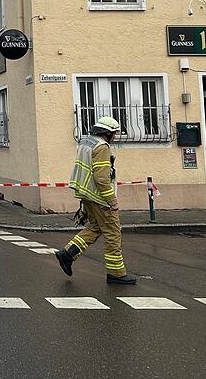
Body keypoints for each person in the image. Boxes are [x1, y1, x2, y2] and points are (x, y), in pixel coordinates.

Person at [54, 116, 136, 285]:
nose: (115, 137)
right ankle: (116, 273)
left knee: (95, 228)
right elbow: (101, 179)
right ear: (108, 133)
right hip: (100, 198)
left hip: (87, 194)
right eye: (114, 133)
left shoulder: (86, 142)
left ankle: (67, 254)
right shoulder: (102, 147)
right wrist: (112, 201)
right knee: (113, 233)